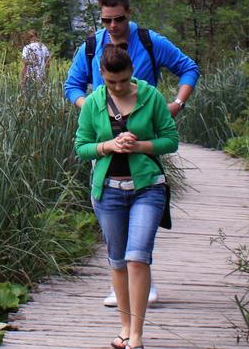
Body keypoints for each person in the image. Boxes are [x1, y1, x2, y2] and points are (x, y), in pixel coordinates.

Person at [65, 0, 199, 307]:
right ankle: (121, 284)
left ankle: (142, 278)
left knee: (143, 207)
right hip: (105, 145)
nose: (112, 26)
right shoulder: (90, 47)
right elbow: (71, 86)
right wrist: (94, 111)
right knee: (114, 216)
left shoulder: (150, 42)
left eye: (119, 19)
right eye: (106, 20)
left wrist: (176, 104)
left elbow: (188, 67)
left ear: (129, 12)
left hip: (145, 139)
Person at [74, 44, 178, 349]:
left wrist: (140, 146)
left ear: (131, 72)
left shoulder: (151, 97)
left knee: (137, 257)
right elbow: (82, 147)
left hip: (148, 187)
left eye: (123, 80)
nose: (118, 87)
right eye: (111, 82)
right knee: (117, 261)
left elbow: (170, 140)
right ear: (102, 76)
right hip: (108, 192)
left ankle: (136, 336)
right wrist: (108, 145)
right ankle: (124, 326)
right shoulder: (93, 103)